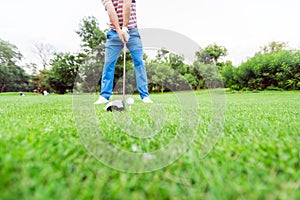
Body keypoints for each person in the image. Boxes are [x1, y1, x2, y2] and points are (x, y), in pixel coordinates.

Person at [94, 0, 153, 104]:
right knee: (109, 64)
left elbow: (127, 3)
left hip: (132, 31)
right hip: (113, 32)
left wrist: (125, 28)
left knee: (139, 63)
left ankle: (145, 96)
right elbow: (111, 10)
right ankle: (104, 96)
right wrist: (119, 31)